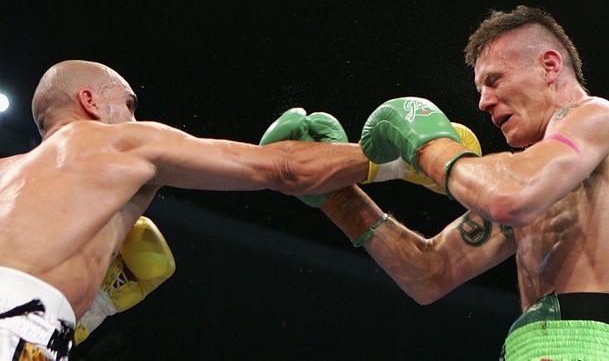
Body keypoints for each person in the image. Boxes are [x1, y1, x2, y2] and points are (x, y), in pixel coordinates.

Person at [292, 5, 609, 360]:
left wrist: (430, 146)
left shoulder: (597, 118)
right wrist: (338, 198)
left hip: (587, 348)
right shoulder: (540, 179)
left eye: (494, 80)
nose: (483, 102)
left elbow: (509, 196)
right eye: (480, 89)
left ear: (550, 66)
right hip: (531, 348)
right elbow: (429, 273)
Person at [0, 59, 370, 361]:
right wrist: (402, 157)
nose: (133, 117)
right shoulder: (120, 141)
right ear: (90, 101)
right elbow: (284, 168)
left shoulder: (7, 171)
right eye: (128, 104)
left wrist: (93, 309)